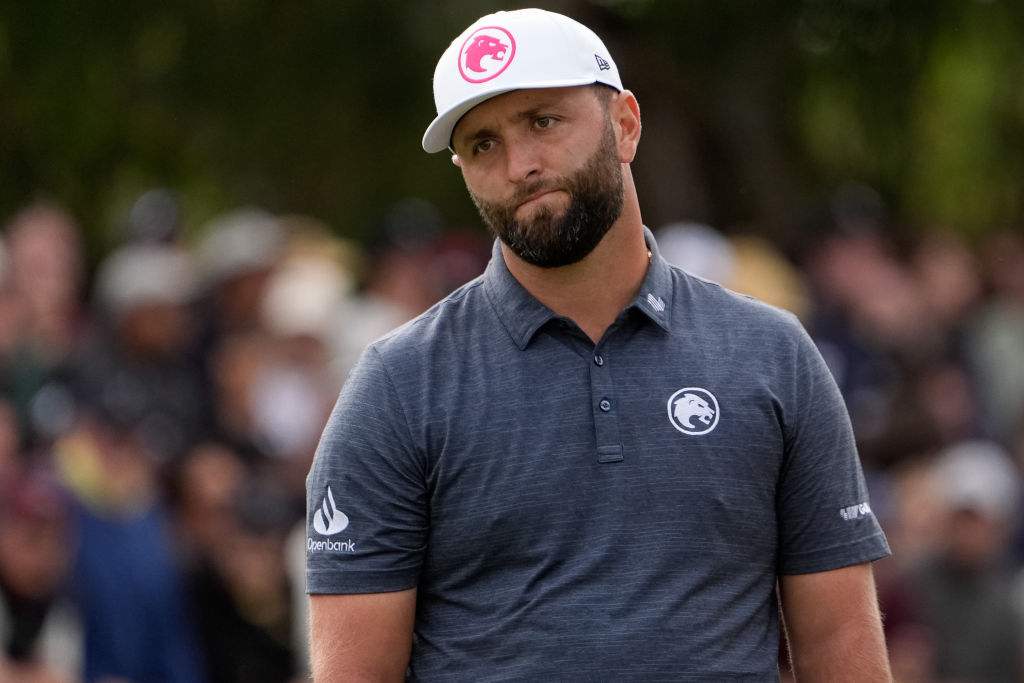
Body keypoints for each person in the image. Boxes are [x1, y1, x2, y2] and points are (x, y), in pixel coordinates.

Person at [306, 8, 892, 681]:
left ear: (625, 125)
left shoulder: (772, 353)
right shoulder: (398, 384)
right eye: (483, 145)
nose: (521, 165)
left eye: (542, 121)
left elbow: (841, 642)